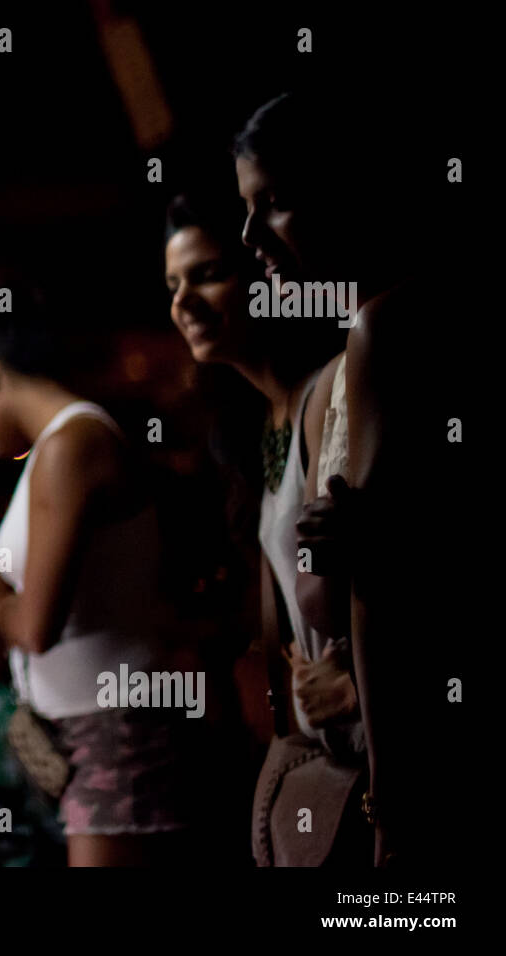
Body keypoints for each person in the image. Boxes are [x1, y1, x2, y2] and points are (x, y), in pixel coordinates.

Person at [234, 91, 475, 866]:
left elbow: (379, 607)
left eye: (273, 203)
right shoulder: (362, 348)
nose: (251, 236)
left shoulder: (387, 330)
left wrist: (393, 804)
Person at [0, 286, 197, 866]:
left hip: (113, 731)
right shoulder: (55, 449)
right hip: (94, 729)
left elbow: (31, 630)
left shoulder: (70, 447)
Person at [164, 189, 367, 865]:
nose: (183, 302)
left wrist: (363, 684)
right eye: (173, 284)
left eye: (208, 273)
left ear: (263, 273)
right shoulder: (262, 433)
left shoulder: (333, 391)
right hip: (324, 757)